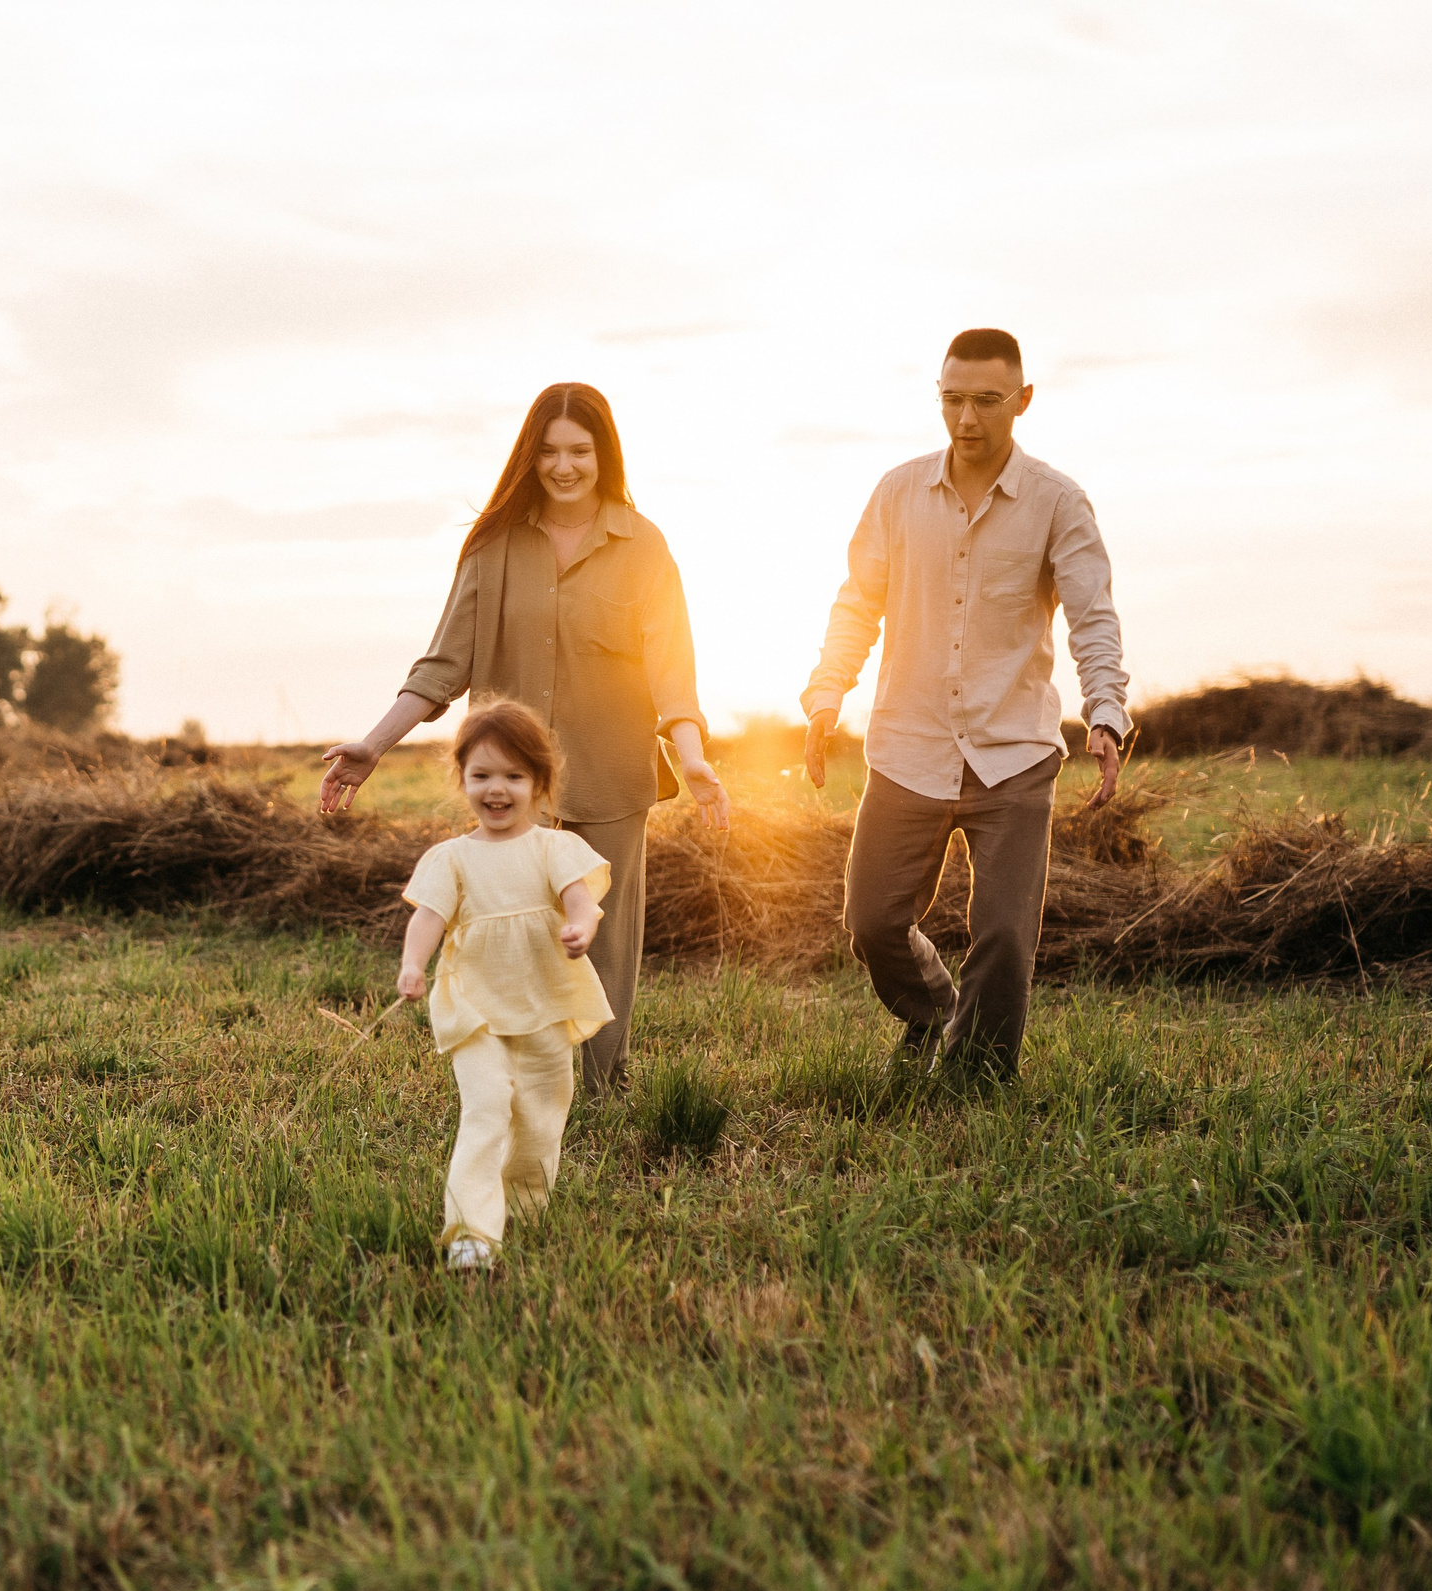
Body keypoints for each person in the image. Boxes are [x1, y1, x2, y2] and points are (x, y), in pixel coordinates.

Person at [321, 382, 729, 1096]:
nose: (564, 467)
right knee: (508, 930)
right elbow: (444, 663)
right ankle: (515, 1080)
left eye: (580, 451)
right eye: (549, 452)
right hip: (511, 782)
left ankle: (601, 1088)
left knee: (601, 939)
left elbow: (672, 671)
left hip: (611, 773)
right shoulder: (493, 544)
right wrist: (374, 744)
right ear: (529, 456)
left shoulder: (643, 545)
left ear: (604, 455)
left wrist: (691, 756)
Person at [800, 327, 1131, 1079]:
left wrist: (1105, 713)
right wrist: (826, 694)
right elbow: (857, 605)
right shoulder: (897, 493)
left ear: (1023, 399)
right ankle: (934, 1012)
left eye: (987, 400)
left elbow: (1093, 617)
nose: (967, 418)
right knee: (872, 920)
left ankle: (975, 1080)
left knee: (1006, 936)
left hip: (1014, 752)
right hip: (908, 745)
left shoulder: (1058, 502)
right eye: (953, 399)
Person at [397, 700, 612, 1271]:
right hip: (476, 1009)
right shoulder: (451, 858)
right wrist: (414, 963)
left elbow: (580, 899)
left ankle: (523, 1206)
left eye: (514, 776)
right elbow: (428, 917)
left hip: (544, 1000)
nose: (497, 789)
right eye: (482, 775)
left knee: (541, 1117)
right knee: (487, 1107)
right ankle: (471, 1231)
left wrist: (582, 927)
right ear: (462, 778)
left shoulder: (554, 848)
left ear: (539, 783)